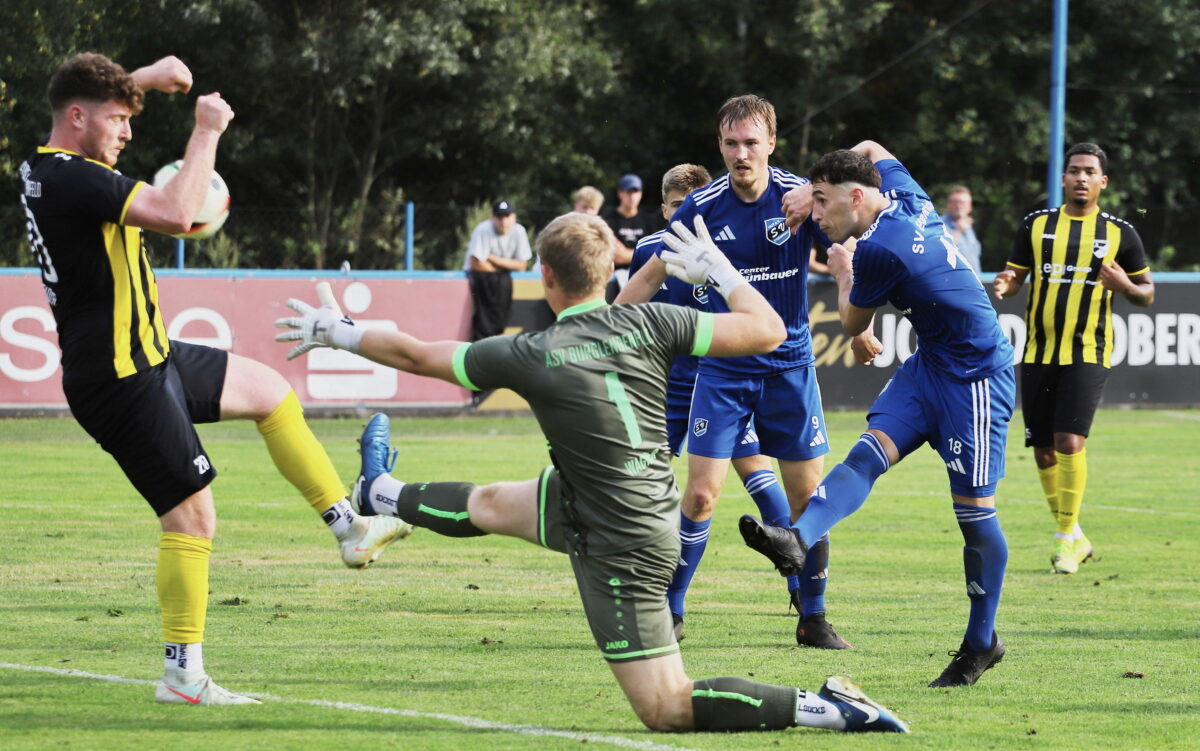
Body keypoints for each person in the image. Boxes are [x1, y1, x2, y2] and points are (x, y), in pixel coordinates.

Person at [275, 211, 907, 733]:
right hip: (614, 497)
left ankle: (833, 710)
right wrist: (718, 269)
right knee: (491, 502)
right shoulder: (655, 319)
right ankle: (377, 494)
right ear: (612, 272)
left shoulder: (532, 352)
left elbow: (416, 353)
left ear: (544, 277)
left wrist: (341, 331)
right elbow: (768, 328)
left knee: (666, 706)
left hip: (622, 539)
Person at [17, 53, 409, 706]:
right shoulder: (74, 180)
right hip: (119, 377)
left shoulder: (42, 164)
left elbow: (82, 99)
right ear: (79, 119)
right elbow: (175, 213)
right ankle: (183, 676)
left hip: (150, 354)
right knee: (192, 518)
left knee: (270, 393)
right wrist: (205, 130)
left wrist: (138, 80)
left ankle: (350, 528)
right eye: (118, 119)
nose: (128, 131)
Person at [741, 141, 1015, 688]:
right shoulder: (905, 196)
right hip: (930, 365)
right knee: (867, 455)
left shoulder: (878, 249)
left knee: (975, 514)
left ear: (857, 197)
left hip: (976, 377)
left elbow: (850, 321)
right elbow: (868, 148)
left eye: (822, 203)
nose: (816, 215)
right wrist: (805, 188)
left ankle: (982, 641)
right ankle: (796, 539)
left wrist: (842, 269)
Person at [617, 95, 845, 650]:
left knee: (808, 499)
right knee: (699, 498)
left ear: (771, 143)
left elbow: (845, 245)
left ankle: (812, 617)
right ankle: (670, 612)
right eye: (731, 144)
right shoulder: (700, 207)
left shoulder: (799, 199)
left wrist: (855, 311)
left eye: (751, 143)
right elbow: (649, 276)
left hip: (790, 367)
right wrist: (601, 332)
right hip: (721, 371)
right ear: (720, 147)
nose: (741, 154)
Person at [994, 142, 1155, 574]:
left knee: (1069, 442)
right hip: (1038, 352)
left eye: (1090, 172)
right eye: (1074, 171)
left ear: (1103, 182)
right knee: (1044, 451)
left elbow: (1147, 294)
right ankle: (1075, 533)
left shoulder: (1121, 233)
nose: (1081, 178)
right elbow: (1015, 279)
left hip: (1088, 351)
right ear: (1063, 179)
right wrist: (1006, 284)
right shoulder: (1035, 225)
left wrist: (1124, 284)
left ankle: (1065, 540)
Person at [462, 199, 532, 341]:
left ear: (514, 217)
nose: (504, 221)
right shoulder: (483, 229)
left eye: (507, 216)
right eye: (500, 217)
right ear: (492, 218)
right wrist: (505, 267)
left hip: (500, 283)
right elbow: (476, 264)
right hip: (480, 281)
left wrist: (493, 259)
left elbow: (522, 266)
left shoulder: (519, 231)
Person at [603, 173, 660, 301]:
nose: (632, 196)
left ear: (641, 194)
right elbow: (616, 256)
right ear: (620, 193)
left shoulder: (648, 220)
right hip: (617, 278)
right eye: (628, 192)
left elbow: (656, 253)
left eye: (636, 192)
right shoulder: (609, 220)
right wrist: (642, 252)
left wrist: (626, 253)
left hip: (647, 274)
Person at [942, 185, 982, 272]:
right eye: (955, 202)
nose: (958, 206)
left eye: (962, 202)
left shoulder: (968, 226)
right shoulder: (939, 224)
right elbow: (941, 252)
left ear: (970, 207)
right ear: (948, 205)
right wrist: (958, 231)